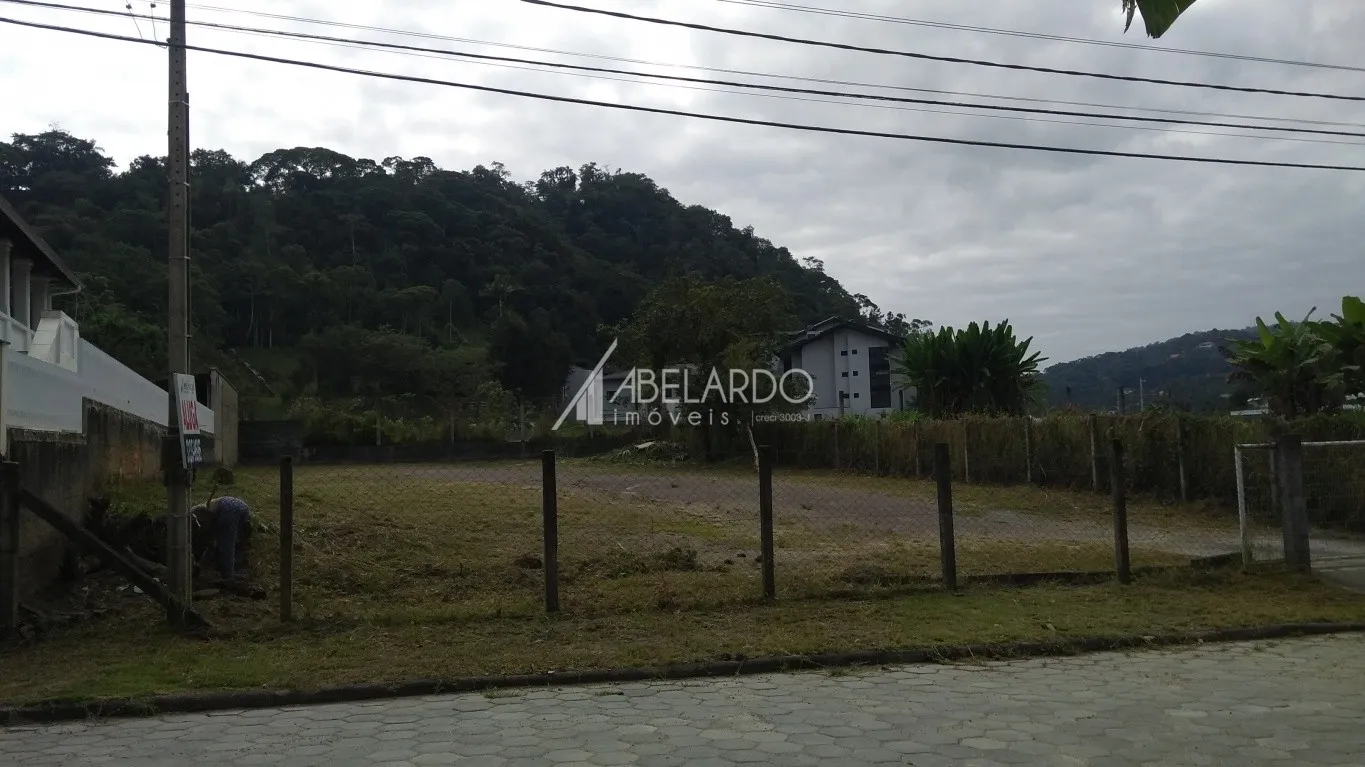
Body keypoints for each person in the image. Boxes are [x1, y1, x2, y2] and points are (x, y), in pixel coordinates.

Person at [190, 496, 252, 583]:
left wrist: (199, 565)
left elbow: (220, 544)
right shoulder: (207, 517)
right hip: (240, 506)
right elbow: (212, 545)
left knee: (226, 544)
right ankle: (231, 573)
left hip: (228, 507)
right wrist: (200, 565)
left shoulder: (198, 514)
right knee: (229, 542)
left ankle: (228, 578)